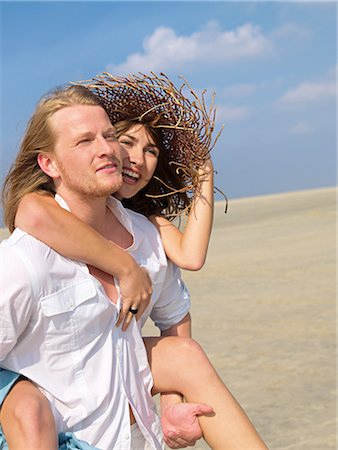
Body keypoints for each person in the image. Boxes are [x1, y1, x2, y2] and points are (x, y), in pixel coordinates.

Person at [0, 80, 267, 449]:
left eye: (109, 135)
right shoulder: (24, 261)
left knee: (184, 354)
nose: (107, 149)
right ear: (49, 163)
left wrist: (172, 402)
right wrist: (22, 409)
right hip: (71, 437)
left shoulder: (147, 238)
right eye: (84, 141)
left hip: (142, 437)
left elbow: (175, 314)